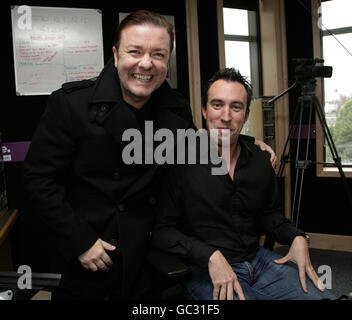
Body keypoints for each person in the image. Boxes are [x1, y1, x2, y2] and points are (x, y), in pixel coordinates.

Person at [24, 11, 274, 300]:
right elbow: (38, 180)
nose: (146, 63)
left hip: (150, 256)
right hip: (95, 253)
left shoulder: (175, 109)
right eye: (135, 51)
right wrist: (80, 240)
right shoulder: (71, 105)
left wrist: (248, 143)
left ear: (167, 61)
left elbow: (196, 145)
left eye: (158, 54)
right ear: (116, 54)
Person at [152, 68, 335, 300]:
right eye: (217, 105)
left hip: (259, 261)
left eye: (236, 107)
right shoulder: (179, 161)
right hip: (204, 270)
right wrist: (209, 255)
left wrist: (297, 236)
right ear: (204, 111)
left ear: (246, 115)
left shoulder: (260, 160)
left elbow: (270, 215)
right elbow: (161, 231)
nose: (226, 116)